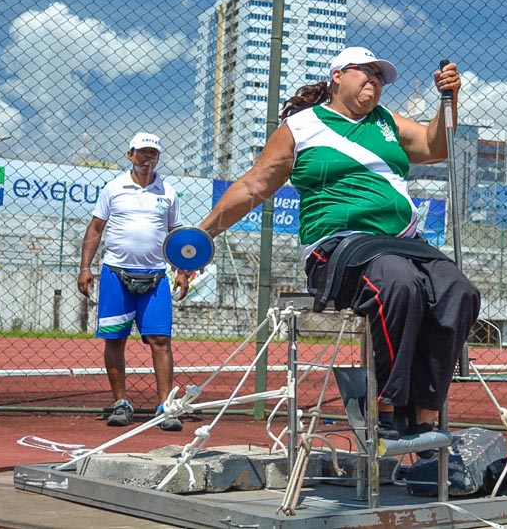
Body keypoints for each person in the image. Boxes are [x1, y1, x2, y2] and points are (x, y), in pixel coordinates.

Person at [199, 46, 481, 446]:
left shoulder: (387, 123)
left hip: (402, 242)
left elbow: (436, 147)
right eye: (365, 72)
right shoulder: (302, 126)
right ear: (336, 76)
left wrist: (448, 98)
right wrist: (203, 232)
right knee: (398, 283)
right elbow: (253, 185)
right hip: (337, 247)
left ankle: (425, 409)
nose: (375, 80)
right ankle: (385, 407)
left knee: (459, 290)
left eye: (380, 77)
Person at [78, 132, 189, 432]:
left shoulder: (168, 192)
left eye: (152, 153)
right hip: (115, 273)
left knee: (161, 341)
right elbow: (96, 227)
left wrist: (181, 271)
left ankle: (166, 407)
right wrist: (85, 267)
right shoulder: (113, 188)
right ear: (130, 155)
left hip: (155, 276)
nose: (146, 158)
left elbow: (175, 234)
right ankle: (120, 403)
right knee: (115, 340)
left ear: (158, 157)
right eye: (141, 153)